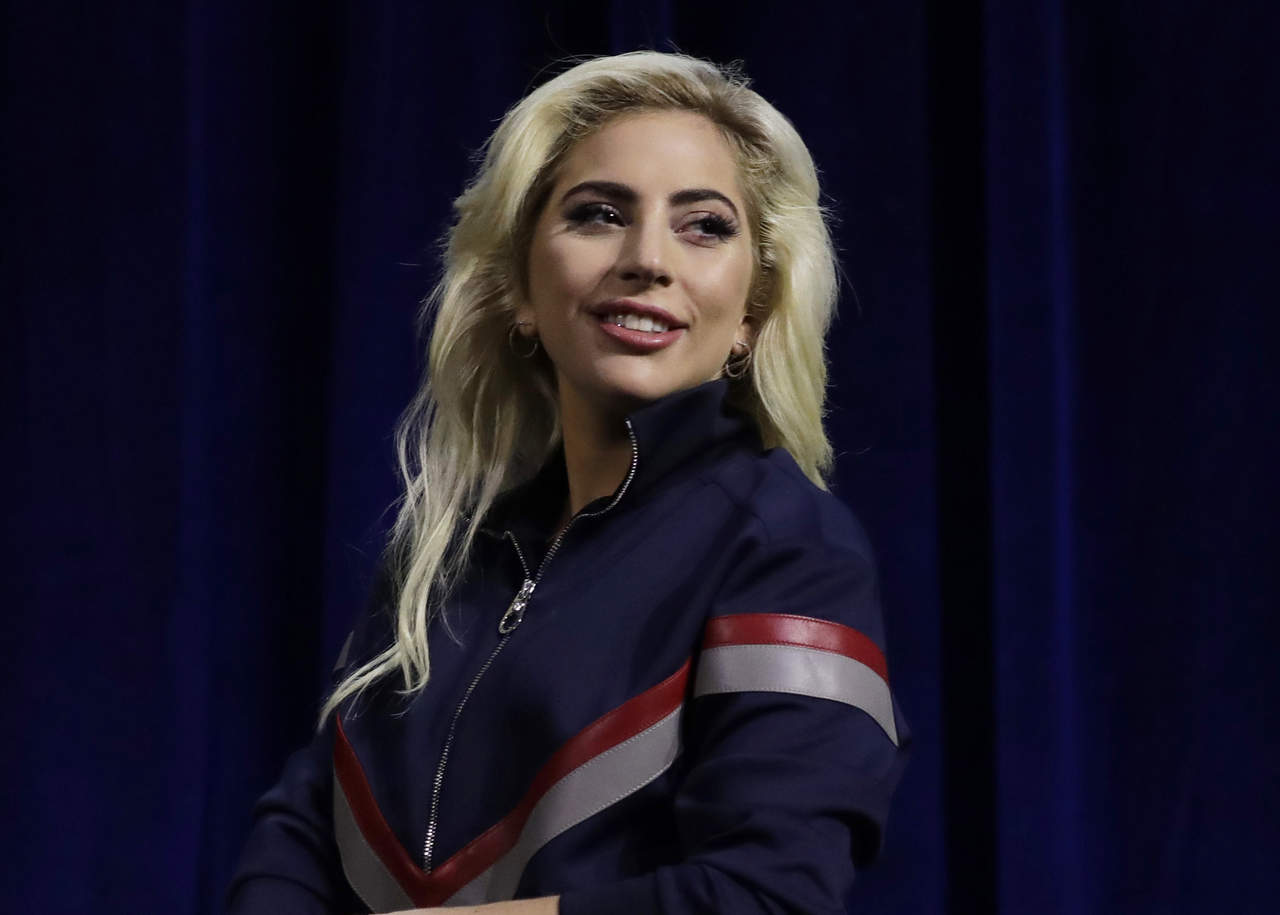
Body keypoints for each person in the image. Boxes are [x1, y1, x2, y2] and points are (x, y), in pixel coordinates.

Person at [227, 50, 909, 915]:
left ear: (752, 310)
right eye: (599, 214)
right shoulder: (446, 552)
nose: (647, 258)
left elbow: (766, 897)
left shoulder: (791, 545)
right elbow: (300, 831)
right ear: (519, 286)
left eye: (704, 226)